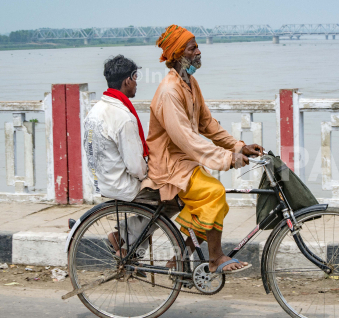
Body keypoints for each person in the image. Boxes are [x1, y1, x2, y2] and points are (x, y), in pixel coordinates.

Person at [141, 24, 264, 273]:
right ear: (178, 54)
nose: (199, 51)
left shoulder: (190, 83)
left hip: (185, 162)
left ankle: (180, 259)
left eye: (197, 47)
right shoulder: (168, 92)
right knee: (215, 192)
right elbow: (187, 139)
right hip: (170, 165)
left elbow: (207, 124)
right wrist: (229, 158)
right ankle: (216, 257)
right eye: (193, 47)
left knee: (214, 201)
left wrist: (239, 146)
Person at [83, 55, 150, 258]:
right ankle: (122, 237)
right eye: (136, 77)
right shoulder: (123, 117)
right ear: (127, 80)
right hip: (122, 185)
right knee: (171, 198)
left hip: (100, 180)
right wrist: (150, 176)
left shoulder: (96, 110)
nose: (137, 82)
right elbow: (136, 168)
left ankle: (125, 243)